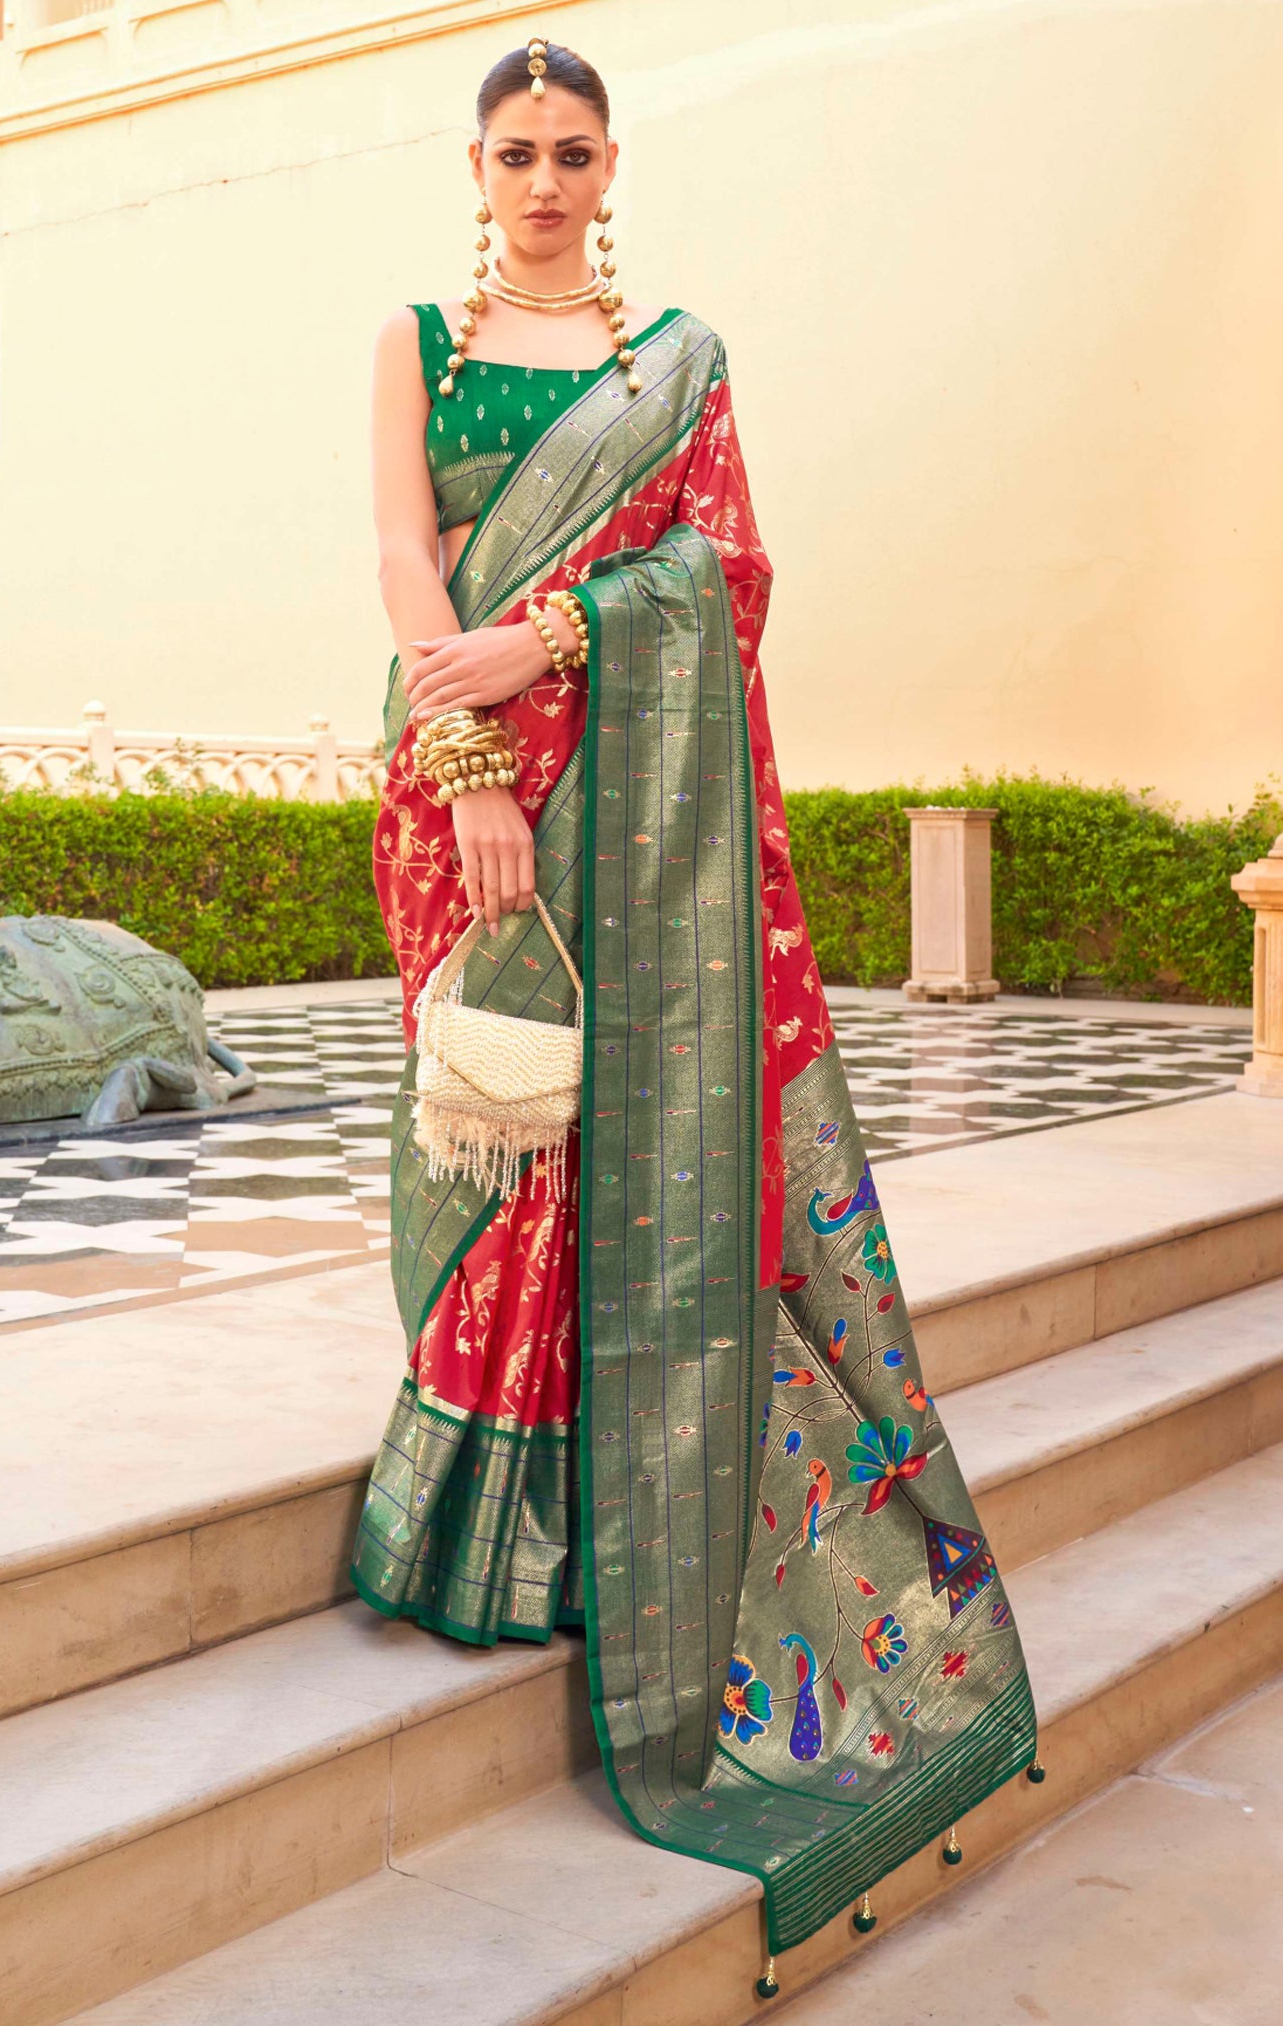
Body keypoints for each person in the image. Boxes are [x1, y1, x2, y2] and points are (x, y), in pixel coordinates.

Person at [351, 34, 1040, 1991]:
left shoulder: (683, 360)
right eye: (515, 151)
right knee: (494, 1133)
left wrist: (568, 628)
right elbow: (405, 553)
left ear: (609, 163)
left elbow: (720, 577)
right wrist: (469, 744)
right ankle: (469, 1529)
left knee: (620, 1147)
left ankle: (599, 1550)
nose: (544, 180)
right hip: (457, 790)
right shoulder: (415, 334)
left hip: (636, 821)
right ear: (473, 165)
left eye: (571, 152)